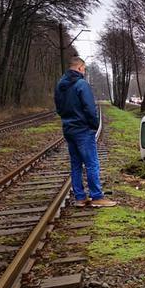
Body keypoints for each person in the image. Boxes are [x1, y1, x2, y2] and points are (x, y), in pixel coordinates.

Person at [54, 57, 116, 208]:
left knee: (76, 164)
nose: (84, 71)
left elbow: (59, 109)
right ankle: (96, 196)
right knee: (91, 163)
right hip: (82, 129)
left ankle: (80, 198)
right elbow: (89, 108)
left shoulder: (60, 85)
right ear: (80, 68)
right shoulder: (82, 84)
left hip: (68, 129)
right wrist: (94, 125)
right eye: (84, 69)